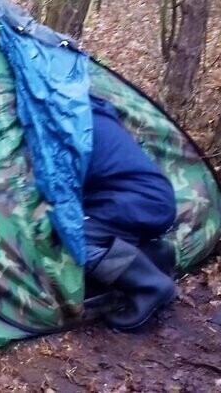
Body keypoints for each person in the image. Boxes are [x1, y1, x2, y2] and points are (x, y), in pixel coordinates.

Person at [83, 96, 177, 330]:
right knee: (90, 225)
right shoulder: (94, 112)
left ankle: (150, 286)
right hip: (156, 198)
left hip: (133, 201)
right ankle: (154, 255)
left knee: (74, 239)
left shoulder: (73, 125)